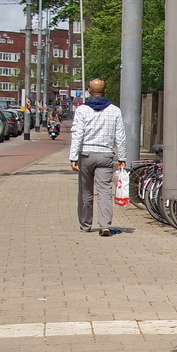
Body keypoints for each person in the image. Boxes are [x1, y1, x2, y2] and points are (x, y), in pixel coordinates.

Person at [69, 79, 127, 235]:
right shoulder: (115, 111)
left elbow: (77, 134)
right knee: (105, 191)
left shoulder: (82, 110)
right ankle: (105, 225)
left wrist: (73, 157)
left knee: (85, 192)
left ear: (88, 91)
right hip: (106, 156)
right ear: (105, 91)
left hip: (86, 155)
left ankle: (85, 225)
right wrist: (122, 157)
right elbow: (120, 136)